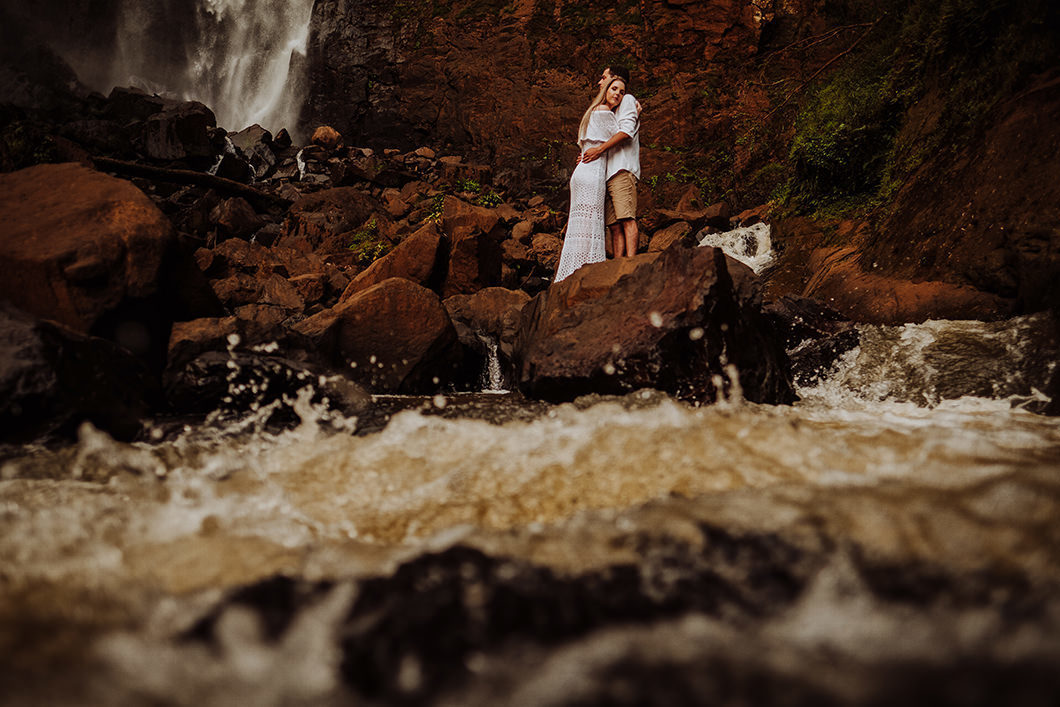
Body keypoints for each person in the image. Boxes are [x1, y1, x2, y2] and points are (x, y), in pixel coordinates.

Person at [553, 76, 627, 283]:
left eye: (621, 92)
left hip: (581, 171)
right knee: (591, 225)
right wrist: (635, 110)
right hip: (592, 174)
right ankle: (586, 276)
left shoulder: (592, 111)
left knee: (580, 226)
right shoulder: (604, 112)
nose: (617, 95)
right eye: (614, 89)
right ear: (606, 91)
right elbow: (624, 134)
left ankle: (569, 275)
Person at [580, 66, 641, 258]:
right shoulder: (612, 109)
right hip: (607, 172)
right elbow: (599, 137)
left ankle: (630, 266)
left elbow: (626, 132)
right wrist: (585, 155)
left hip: (622, 169)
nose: (600, 82)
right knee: (614, 226)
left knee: (627, 220)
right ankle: (617, 265)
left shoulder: (628, 100)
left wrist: (598, 150)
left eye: (603, 77)